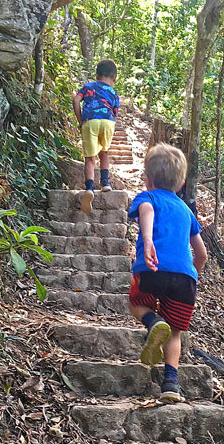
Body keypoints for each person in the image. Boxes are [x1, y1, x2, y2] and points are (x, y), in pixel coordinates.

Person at [128, 143, 208, 403]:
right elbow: (202, 254)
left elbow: (147, 211)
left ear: (147, 180)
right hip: (185, 279)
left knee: (136, 302)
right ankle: (171, 383)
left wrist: (148, 240)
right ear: (182, 182)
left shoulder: (147, 197)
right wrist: (192, 275)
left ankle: (153, 322)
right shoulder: (187, 211)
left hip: (152, 270)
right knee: (175, 332)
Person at [72, 59, 120, 213]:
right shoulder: (114, 93)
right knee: (104, 152)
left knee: (90, 158)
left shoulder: (87, 87)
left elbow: (76, 100)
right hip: (107, 122)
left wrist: (80, 120)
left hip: (89, 122)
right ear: (114, 78)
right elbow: (115, 113)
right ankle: (105, 183)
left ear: (96, 75)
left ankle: (90, 188)